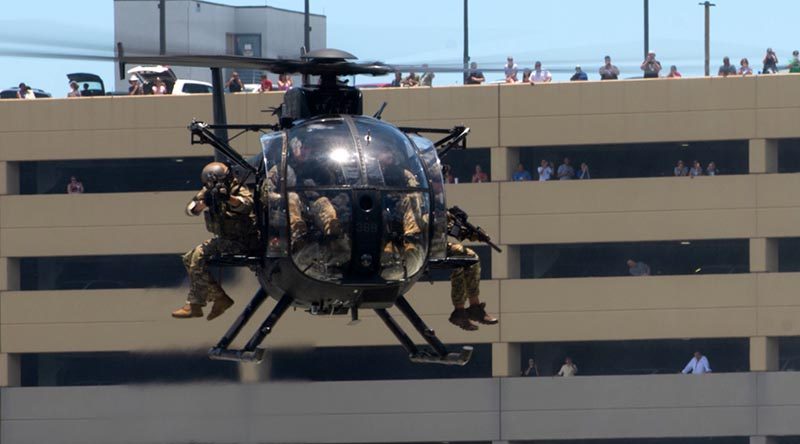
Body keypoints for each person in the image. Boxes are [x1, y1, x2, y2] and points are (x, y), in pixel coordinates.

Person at [172, 162, 260, 320]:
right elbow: (190, 209)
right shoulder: (209, 190)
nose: (212, 186)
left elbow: (247, 205)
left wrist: (228, 198)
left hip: (244, 241)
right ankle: (220, 298)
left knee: (199, 255)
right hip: (226, 239)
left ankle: (195, 305)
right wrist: (204, 202)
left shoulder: (238, 188)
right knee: (188, 258)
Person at [445, 212, 498, 331]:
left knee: (464, 261)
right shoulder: (413, 206)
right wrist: (447, 216)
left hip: (432, 246)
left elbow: (451, 230)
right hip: (415, 248)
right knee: (466, 259)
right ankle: (469, 308)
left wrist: (473, 234)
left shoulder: (428, 206)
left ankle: (464, 310)